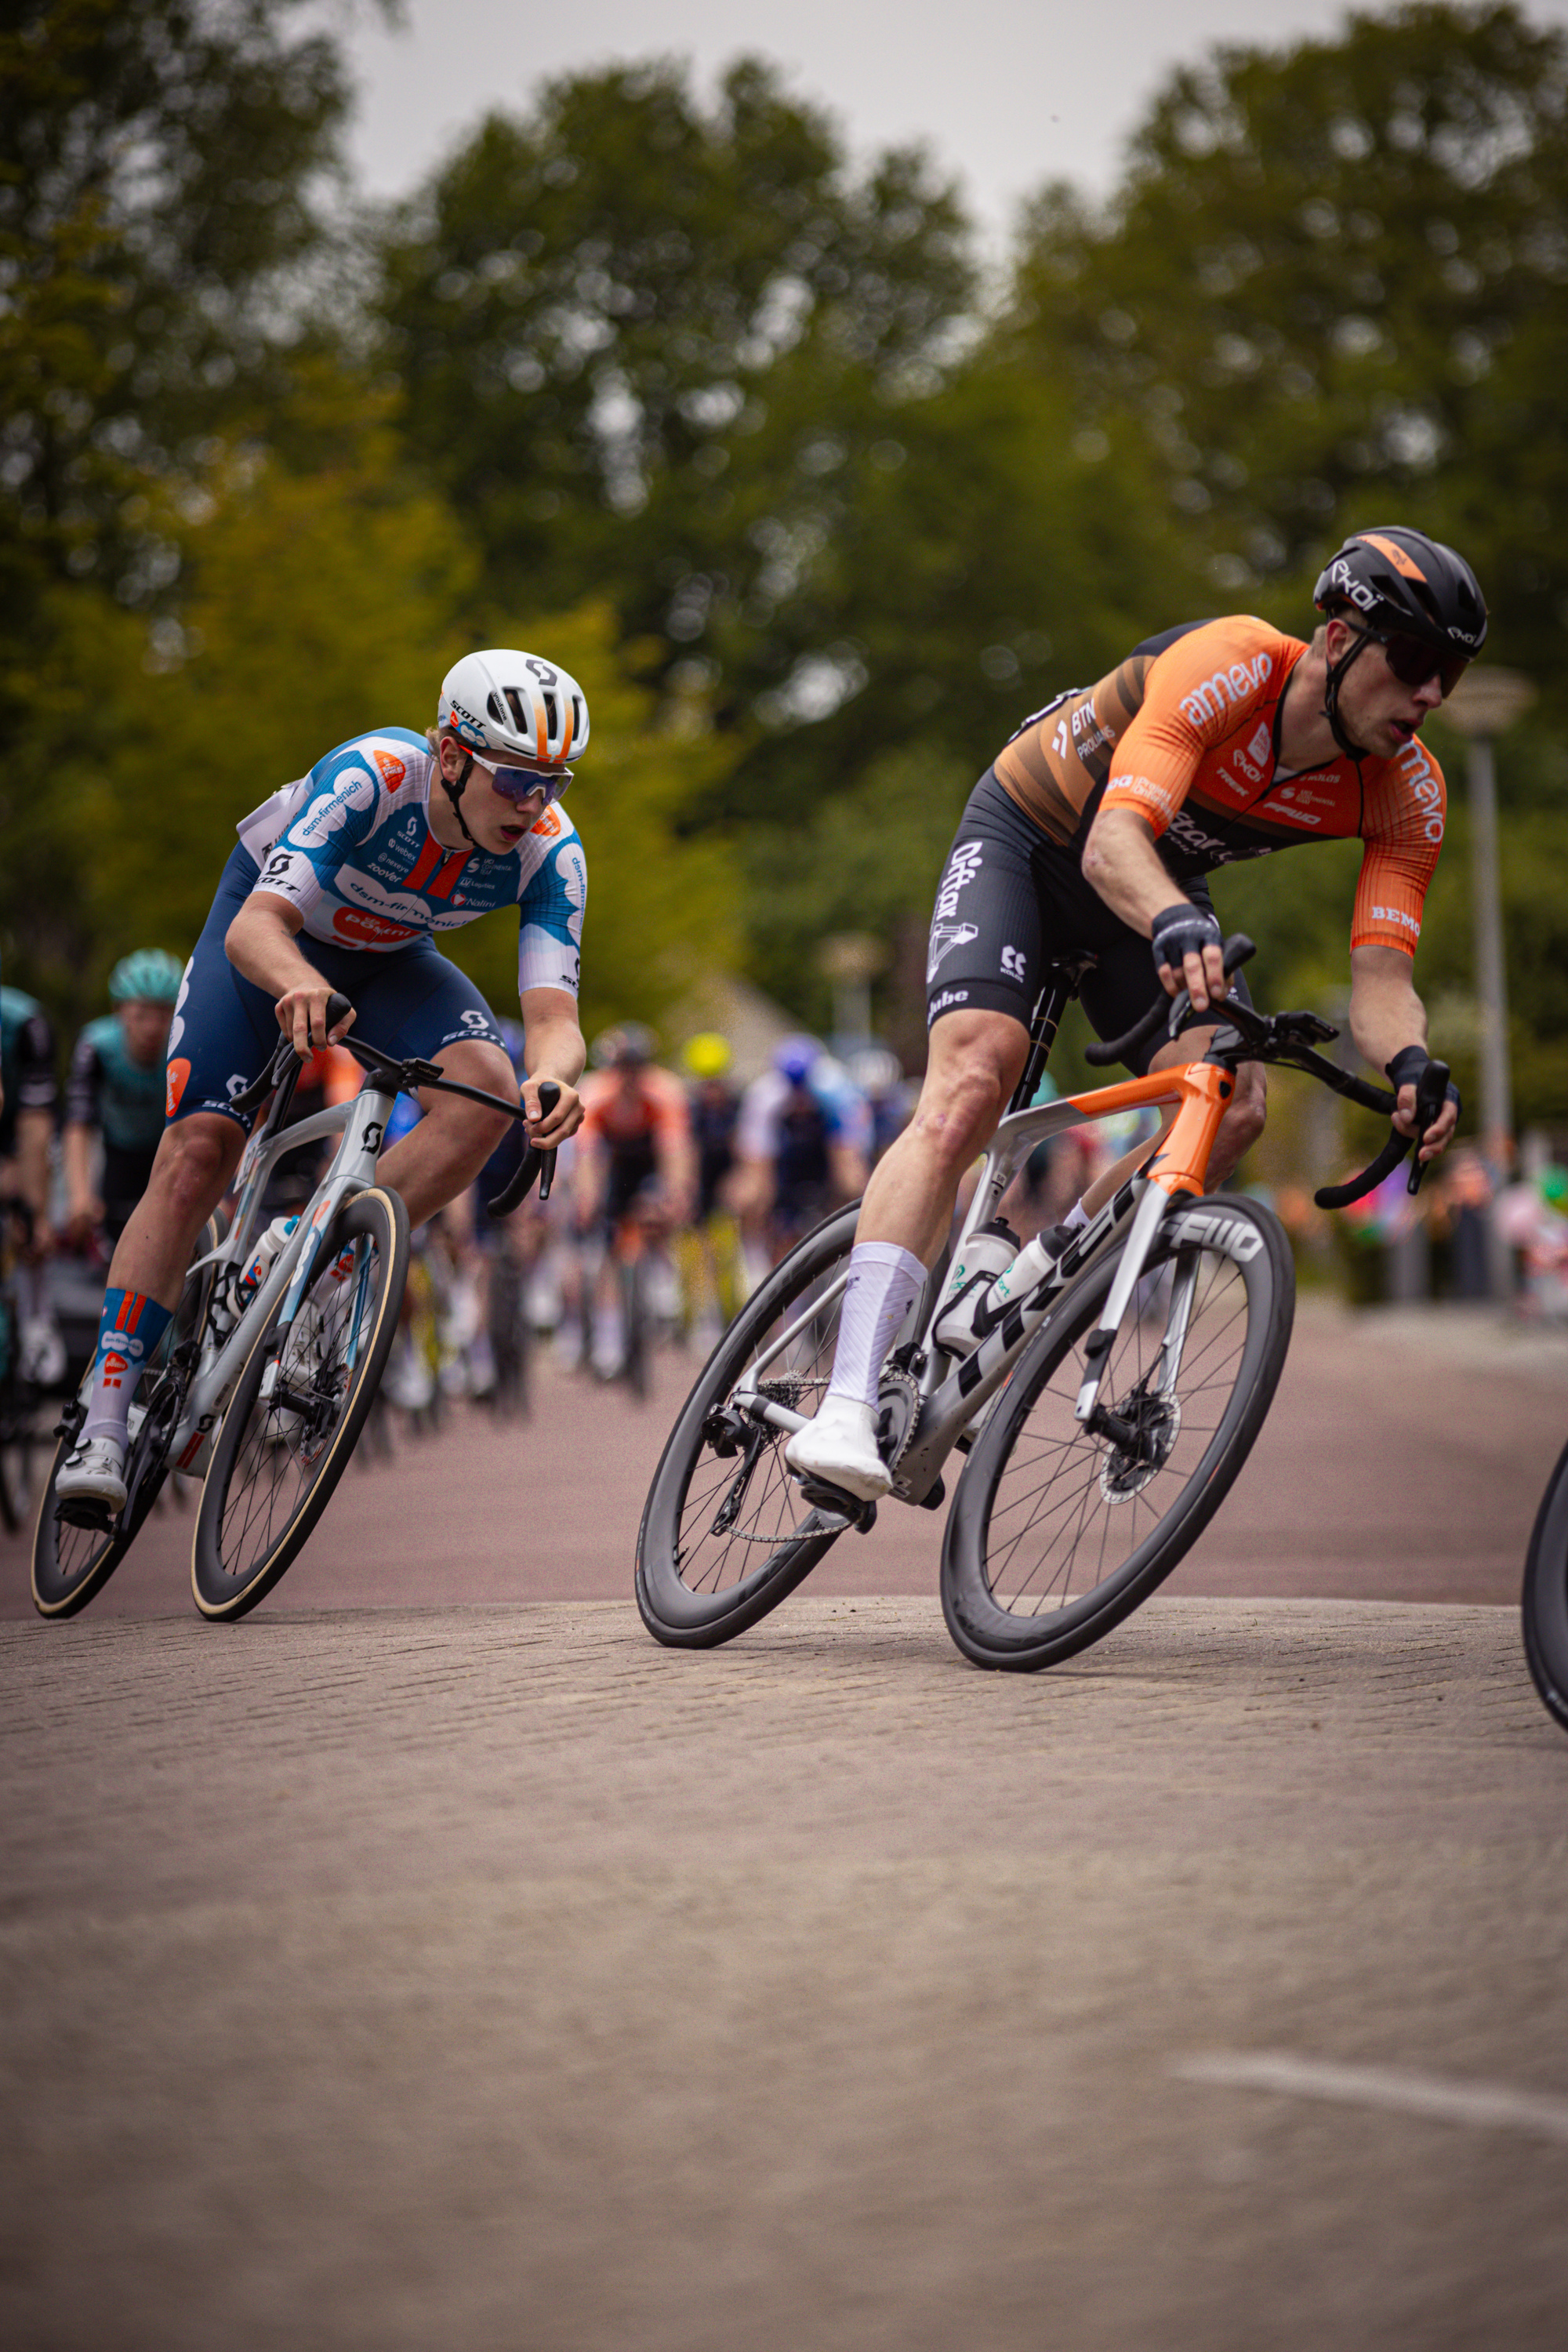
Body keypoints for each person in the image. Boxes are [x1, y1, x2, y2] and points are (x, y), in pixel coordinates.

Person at [787, 524, 1484, 1500]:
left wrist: (1408, 1061)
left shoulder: (1406, 790)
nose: (1428, 696)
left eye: (1448, 676)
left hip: (1147, 895)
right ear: (1337, 639)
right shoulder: (1229, 665)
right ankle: (847, 1403)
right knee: (970, 1084)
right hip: (1037, 845)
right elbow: (1114, 836)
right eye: (1413, 661)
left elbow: (1378, 978)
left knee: (1229, 1106)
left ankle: (1019, 1286)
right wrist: (1166, 917)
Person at [56, 647, 591, 1513]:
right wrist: (298, 979)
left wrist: (556, 1080)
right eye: (515, 779)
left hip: (389, 959)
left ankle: (325, 1256)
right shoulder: (373, 775)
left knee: (487, 1088)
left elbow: (553, 1023)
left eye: (553, 783)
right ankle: (105, 1412)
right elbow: (258, 927)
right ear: (451, 756)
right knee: (200, 1152)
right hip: (269, 938)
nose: (533, 804)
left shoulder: (551, 853)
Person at [63, 949, 185, 1248]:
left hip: (169, 1151)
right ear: (119, 1011)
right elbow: (78, 1123)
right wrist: (79, 1195)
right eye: (141, 1014)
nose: (152, 1027)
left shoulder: (184, 1046)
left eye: (163, 1014)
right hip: (118, 1152)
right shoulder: (97, 1046)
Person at [735, 1036, 871, 1264]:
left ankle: (854, 1254)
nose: (799, 1100)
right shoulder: (764, 1097)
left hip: (826, 1151)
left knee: (854, 1187)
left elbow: (848, 1158)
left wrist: (850, 1195)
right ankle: (757, 1261)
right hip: (784, 1159)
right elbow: (757, 1165)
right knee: (752, 1197)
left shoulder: (837, 1091)